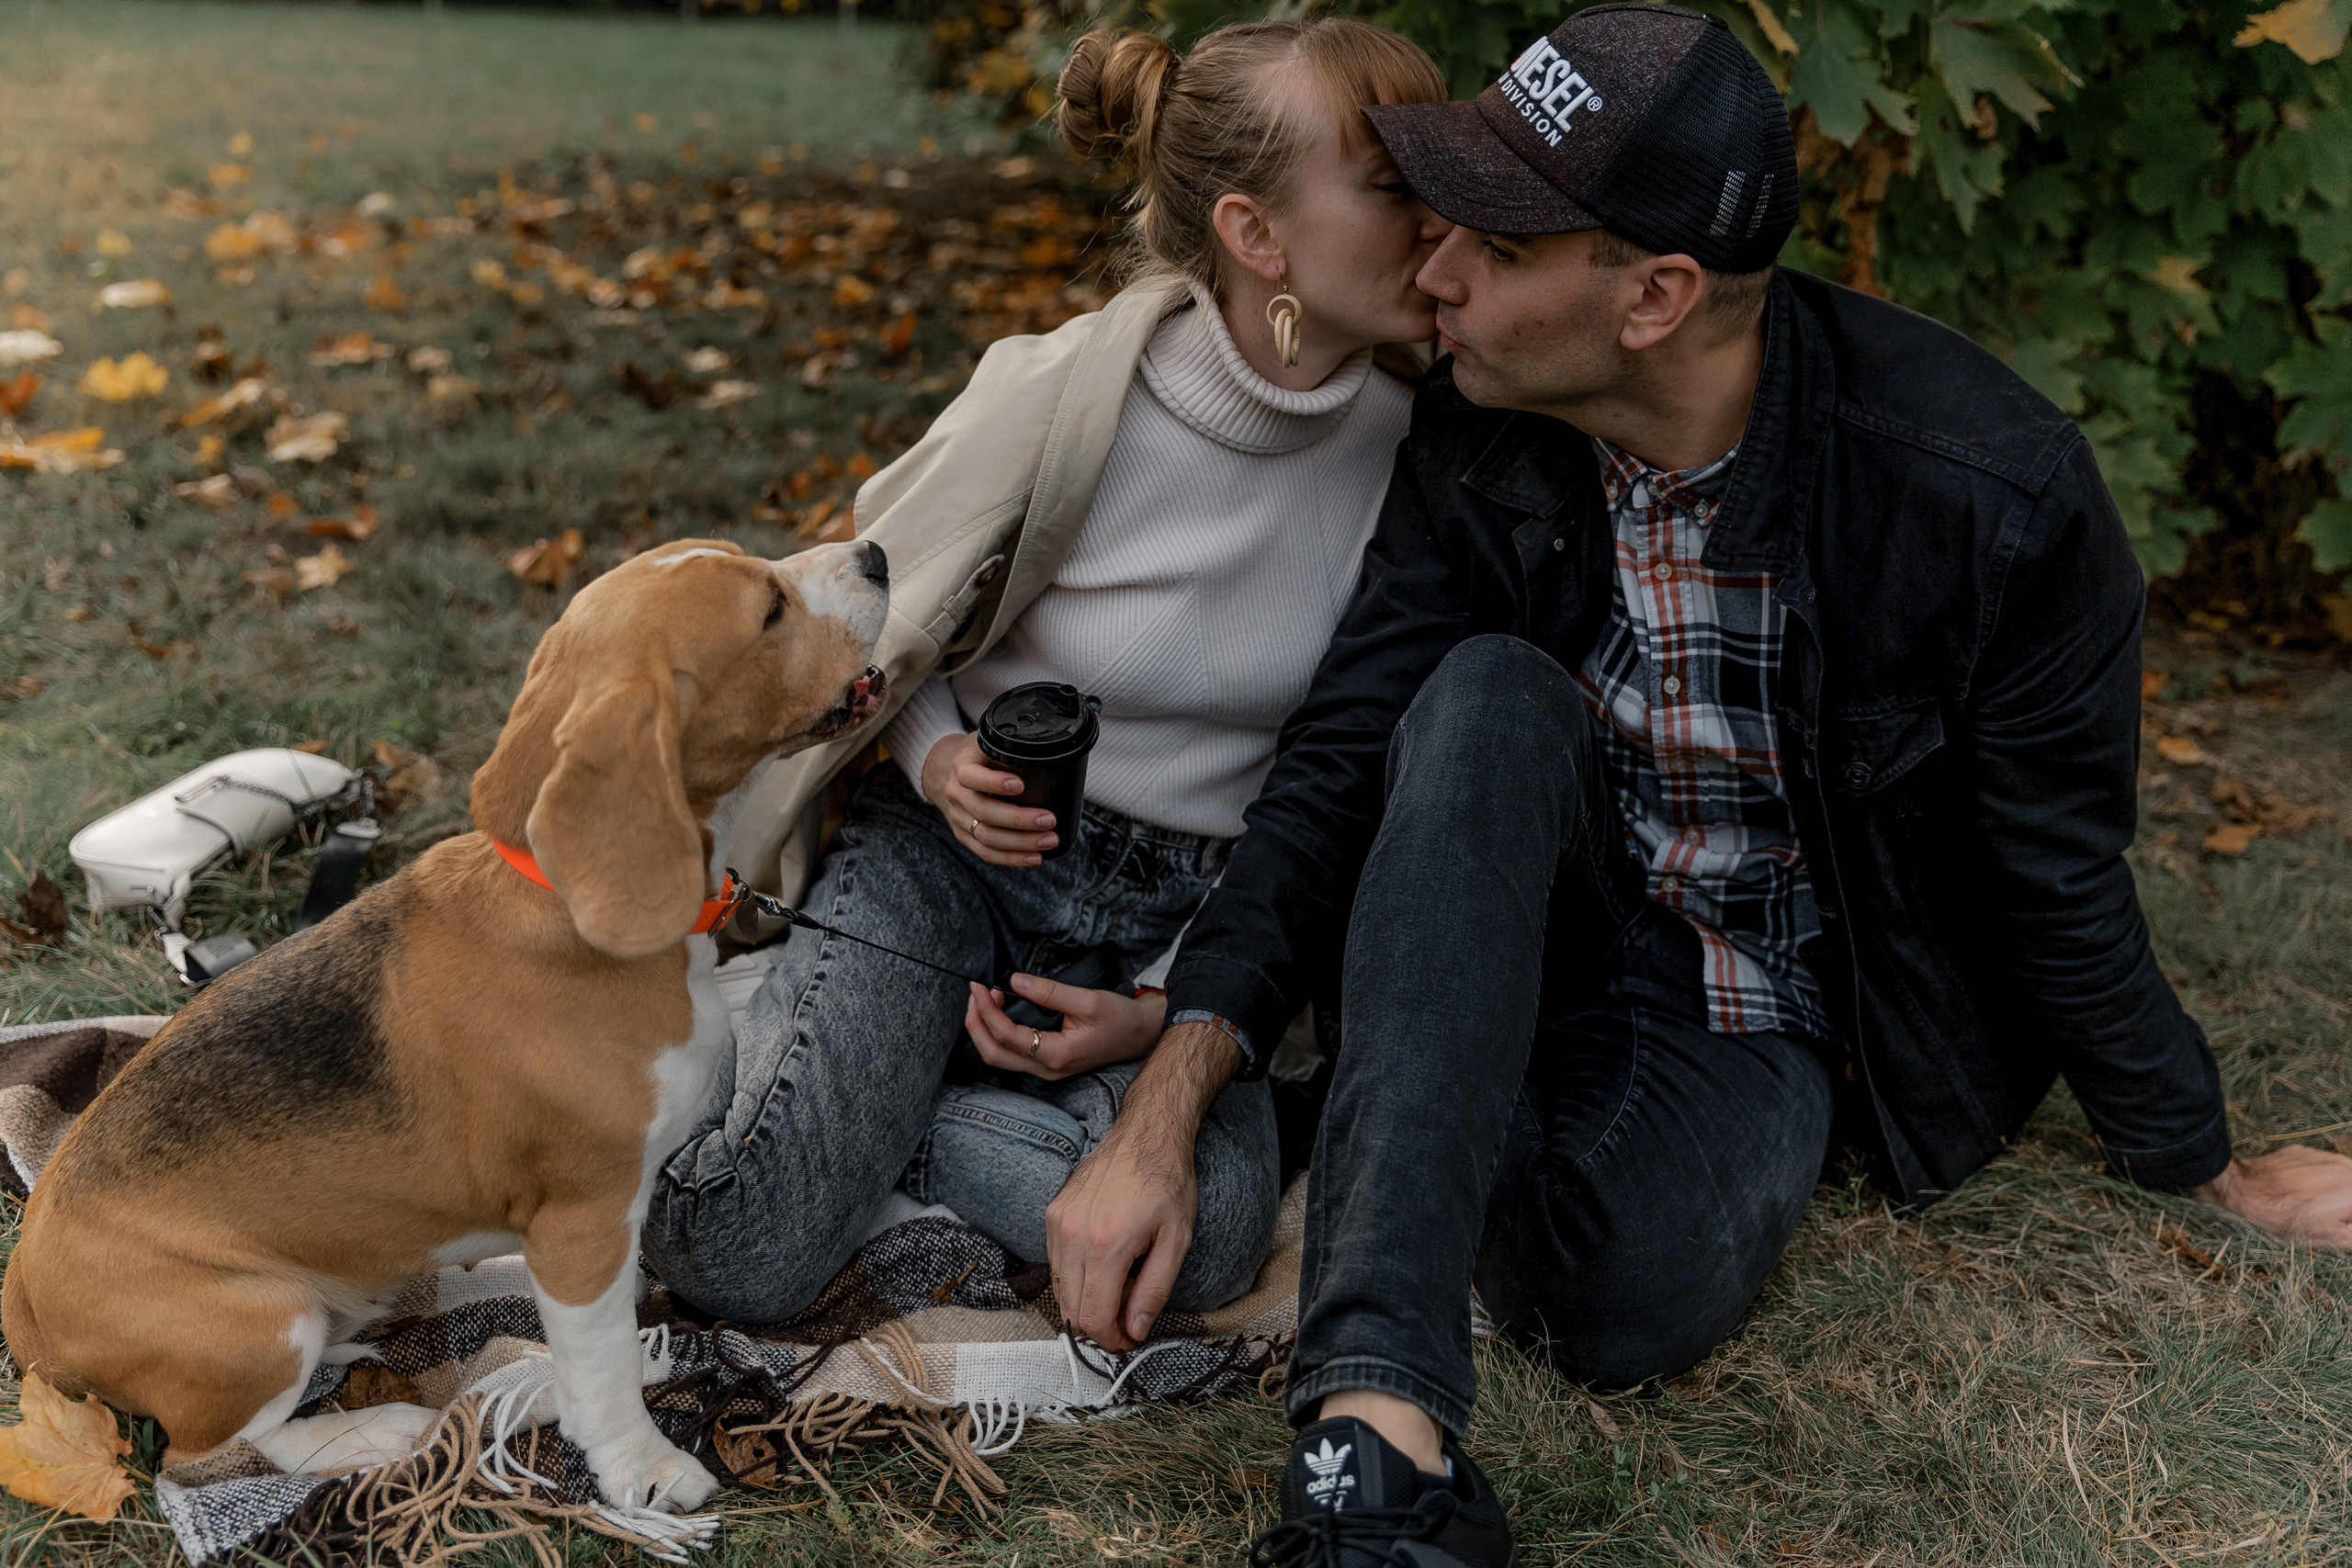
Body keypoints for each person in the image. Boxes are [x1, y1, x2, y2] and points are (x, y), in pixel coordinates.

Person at [1035, 6, 2352, 1563]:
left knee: (1613, 1300)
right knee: (1483, 695)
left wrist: (2196, 1156)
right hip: (1538, 898)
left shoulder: (1985, 492)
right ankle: (1370, 1446)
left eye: (1497, 248)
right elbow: (1342, 761)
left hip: (1758, 1003)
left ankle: (1396, 1109)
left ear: (1655, 297)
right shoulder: (1474, 422)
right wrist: (1166, 1107)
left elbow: (2051, 867)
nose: (1434, 272)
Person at [642, 17, 1453, 1327]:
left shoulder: (1418, 452)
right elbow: (877, 613)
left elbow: (1334, 787)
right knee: (740, 1249)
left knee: (1206, 1247)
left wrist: (1167, 1004)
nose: (1444, 220)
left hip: (1194, 912)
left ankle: (895, 1108)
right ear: (1256, 235)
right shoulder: (1068, 398)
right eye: (1395, 187)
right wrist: (936, 758)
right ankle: (805, 1086)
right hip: (955, 858)